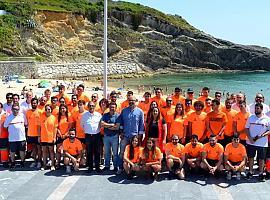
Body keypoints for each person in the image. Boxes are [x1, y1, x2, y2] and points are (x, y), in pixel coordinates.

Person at [117, 95, 144, 174]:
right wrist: (121, 132)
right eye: (130, 100)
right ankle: (120, 168)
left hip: (135, 137)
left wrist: (139, 136)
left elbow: (141, 125)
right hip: (125, 136)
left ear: (136, 101)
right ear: (128, 101)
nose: (131, 102)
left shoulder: (140, 112)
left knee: (135, 152)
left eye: (133, 101)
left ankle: (134, 167)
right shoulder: (124, 111)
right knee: (122, 152)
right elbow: (121, 123)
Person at [245, 103, 270, 181]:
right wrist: (250, 138)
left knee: (261, 159)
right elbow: (246, 128)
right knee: (251, 158)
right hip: (251, 142)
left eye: (258, 108)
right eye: (255, 108)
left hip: (262, 143)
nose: (256, 110)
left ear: (261, 109)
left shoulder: (267, 119)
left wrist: (262, 136)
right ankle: (250, 172)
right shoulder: (251, 117)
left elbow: (269, 130)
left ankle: (261, 173)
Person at [81, 101, 102, 173]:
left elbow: (101, 125)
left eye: (93, 106)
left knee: (97, 152)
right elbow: (82, 125)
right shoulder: (84, 115)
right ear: (88, 107)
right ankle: (90, 167)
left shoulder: (99, 115)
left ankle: (97, 167)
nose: (91, 107)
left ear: (95, 107)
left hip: (97, 135)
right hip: (88, 136)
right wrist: (88, 130)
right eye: (90, 106)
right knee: (89, 152)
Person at [4, 104, 27, 169]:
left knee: (22, 151)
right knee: (12, 151)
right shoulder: (8, 117)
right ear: (11, 110)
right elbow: (5, 126)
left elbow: (25, 124)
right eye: (14, 109)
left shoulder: (22, 116)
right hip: (12, 138)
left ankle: (22, 162)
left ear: (19, 110)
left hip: (21, 138)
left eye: (17, 109)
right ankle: (13, 163)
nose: (15, 111)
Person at [100, 102, 120, 171]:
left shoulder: (118, 116)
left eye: (113, 107)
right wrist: (111, 125)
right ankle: (107, 165)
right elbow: (102, 124)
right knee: (106, 152)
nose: (112, 108)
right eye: (111, 107)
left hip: (115, 136)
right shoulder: (105, 115)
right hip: (106, 136)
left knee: (115, 153)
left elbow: (117, 127)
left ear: (116, 108)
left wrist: (107, 125)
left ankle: (115, 166)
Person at [39, 105, 58, 171]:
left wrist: (54, 137)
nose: (47, 111)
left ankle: (52, 165)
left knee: (51, 151)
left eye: (49, 109)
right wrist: (39, 136)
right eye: (46, 109)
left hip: (50, 137)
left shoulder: (54, 118)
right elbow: (39, 127)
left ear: (51, 110)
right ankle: (44, 165)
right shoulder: (41, 117)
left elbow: (55, 128)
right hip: (43, 137)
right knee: (44, 151)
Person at [26, 98, 42, 168]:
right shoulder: (28, 112)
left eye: (35, 103)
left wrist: (40, 135)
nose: (34, 104)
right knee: (34, 148)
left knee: (39, 148)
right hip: (30, 133)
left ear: (37, 103)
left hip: (38, 134)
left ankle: (39, 161)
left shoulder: (40, 112)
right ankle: (35, 161)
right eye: (32, 103)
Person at [56, 104, 73, 169]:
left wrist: (66, 134)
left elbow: (70, 126)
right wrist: (60, 134)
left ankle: (67, 163)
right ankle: (58, 163)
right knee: (58, 150)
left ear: (66, 109)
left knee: (67, 150)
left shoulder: (69, 116)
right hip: (60, 135)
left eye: (64, 108)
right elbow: (56, 127)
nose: (62, 110)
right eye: (61, 109)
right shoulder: (58, 117)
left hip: (67, 135)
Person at [0, 103, 9, 168]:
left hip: (4, 135)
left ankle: (5, 161)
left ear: (2, 107)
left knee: (4, 149)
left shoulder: (6, 114)